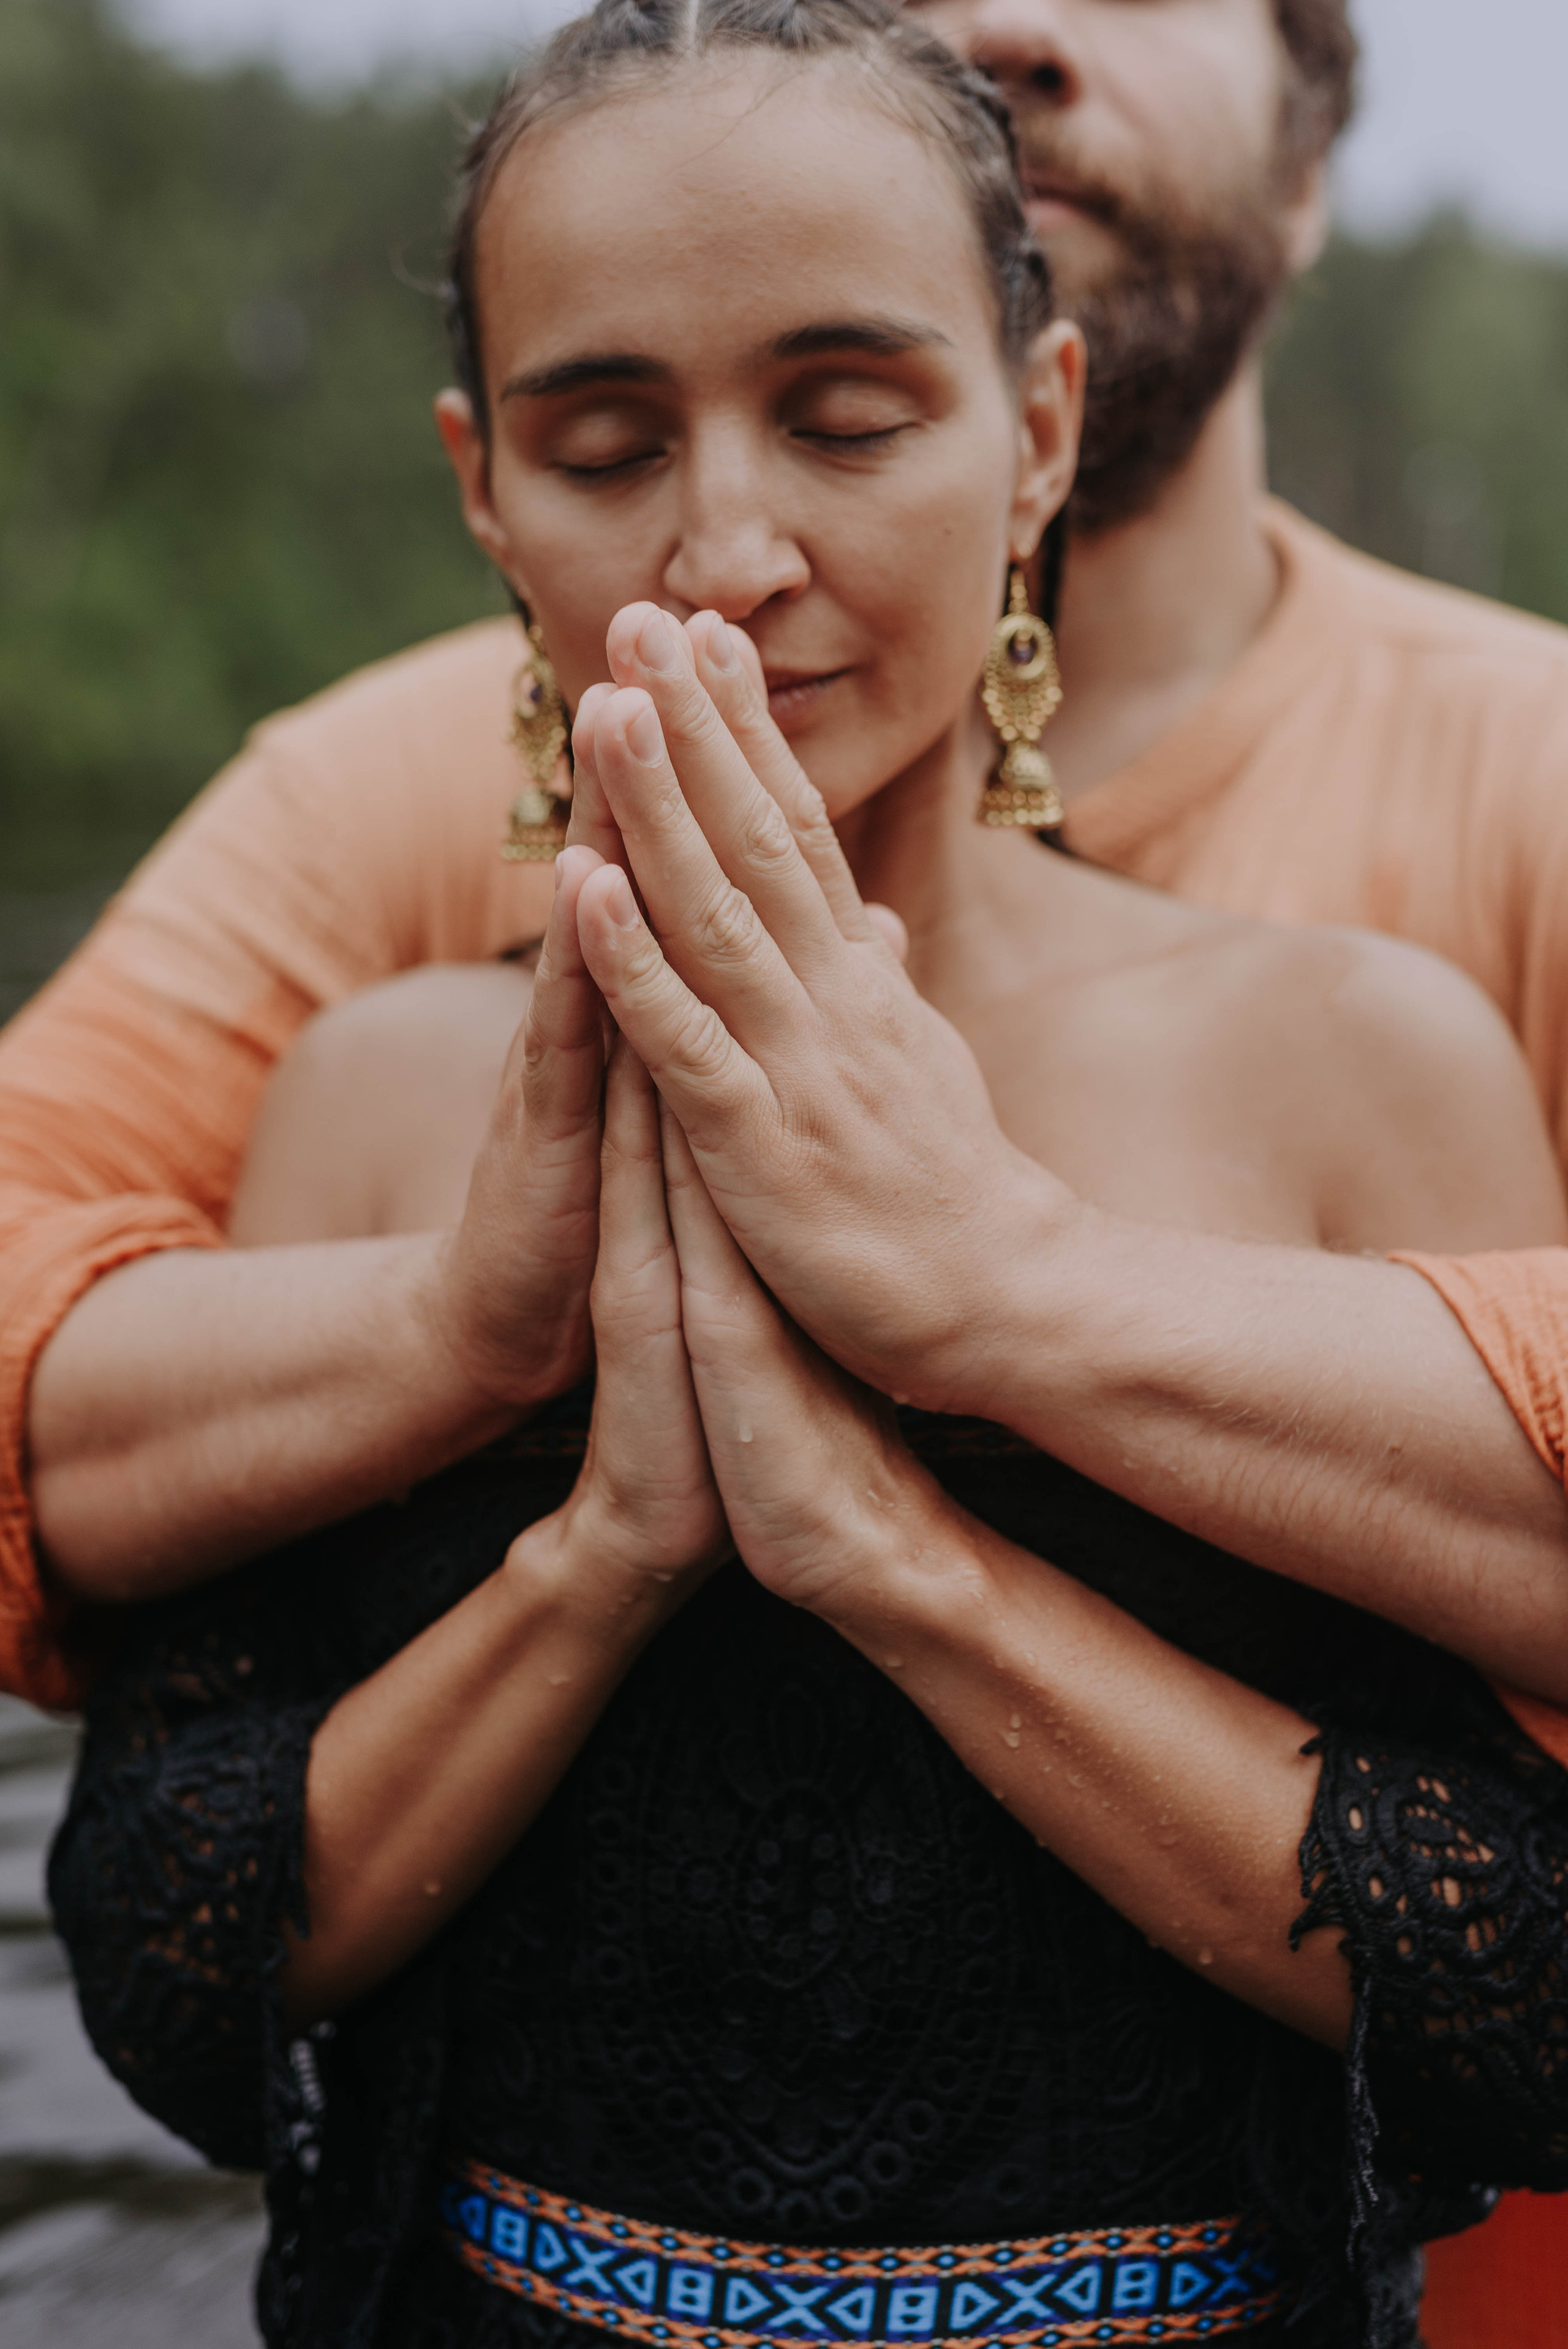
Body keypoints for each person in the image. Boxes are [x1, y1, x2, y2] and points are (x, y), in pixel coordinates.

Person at [45, 7, 1568, 2348]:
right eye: (602, 439)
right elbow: (175, 1973)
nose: (728, 546)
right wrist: (596, 1552)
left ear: (1037, 426)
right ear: (481, 483)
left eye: (853, 420)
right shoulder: (365, 1082)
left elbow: (1529, 2007)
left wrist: (903, 1563)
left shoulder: (1357, 1057)